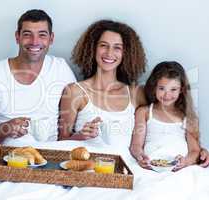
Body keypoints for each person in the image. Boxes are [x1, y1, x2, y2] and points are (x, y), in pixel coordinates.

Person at [0, 9, 76, 147]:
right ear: (17, 37)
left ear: (51, 38)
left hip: (50, 158)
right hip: (5, 160)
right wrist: (4, 129)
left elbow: (68, 130)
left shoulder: (61, 69)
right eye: (27, 34)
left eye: (42, 35)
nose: (35, 42)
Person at [58, 19, 146, 149]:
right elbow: (61, 142)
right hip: (87, 167)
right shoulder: (75, 91)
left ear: (125, 54)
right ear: (93, 48)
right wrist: (80, 136)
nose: (109, 53)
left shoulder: (136, 94)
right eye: (103, 45)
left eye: (117, 47)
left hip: (124, 167)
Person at [130, 61, 200, 171]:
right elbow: (136, 145)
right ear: (154, 88)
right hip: (150, 168)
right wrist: (140, 157)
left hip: (181, 169)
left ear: (181, 90)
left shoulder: (187, 116)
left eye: (173, 89)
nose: (167, 95)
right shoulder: (144, 112)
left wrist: (186, 161)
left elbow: (195, 151)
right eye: (162, 88)